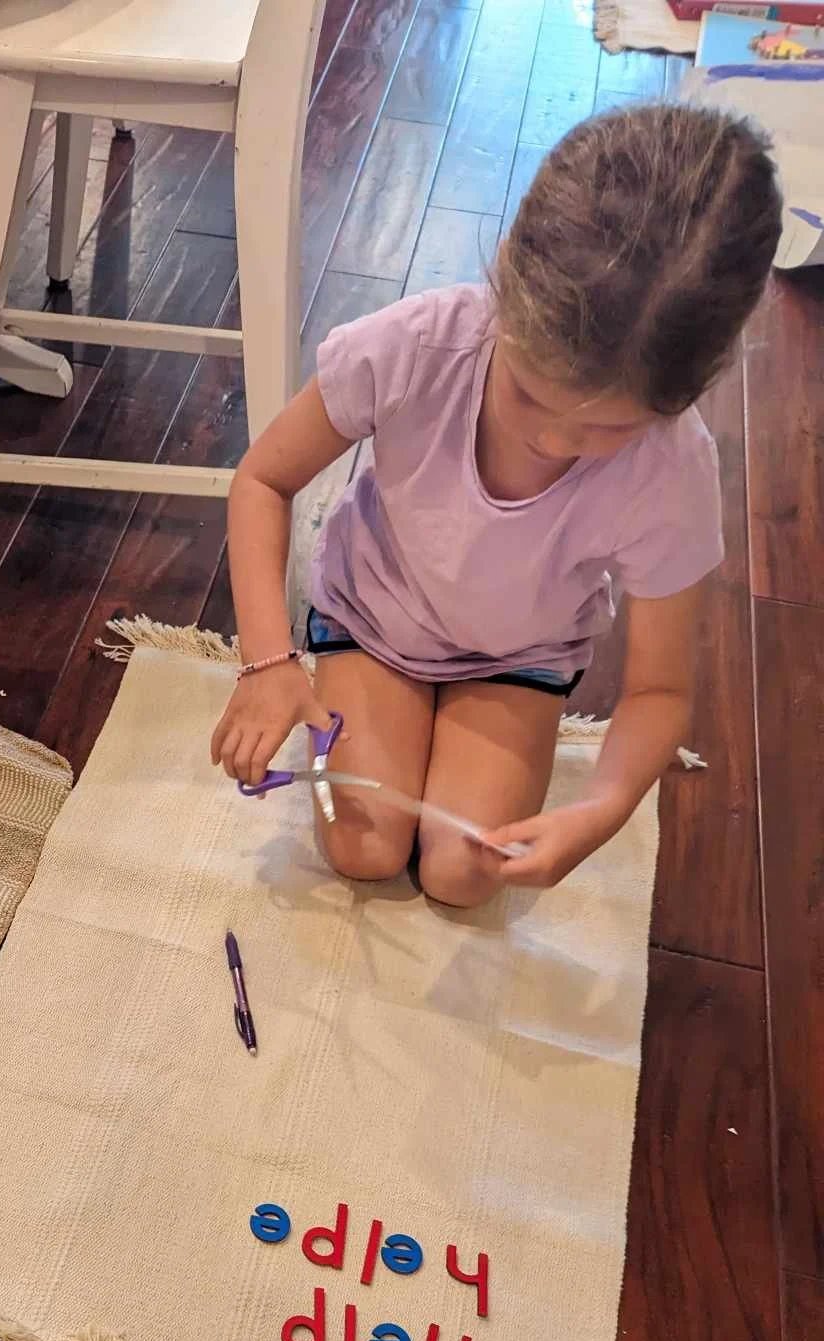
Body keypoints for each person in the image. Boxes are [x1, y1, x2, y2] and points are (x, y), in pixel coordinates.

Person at [212, 103, 781, 904]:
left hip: (517, 659)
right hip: (374, 621)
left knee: (463, 871)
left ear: (687, 396)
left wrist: (603, 808)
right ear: (504, 275)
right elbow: (263, 480)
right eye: (527, 392)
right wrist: (269, 663)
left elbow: (659, 690)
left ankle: (469, 731)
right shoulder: (414, 347)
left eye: (605, 430)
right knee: (364, 846)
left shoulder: (671, 469)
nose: (552, 442)